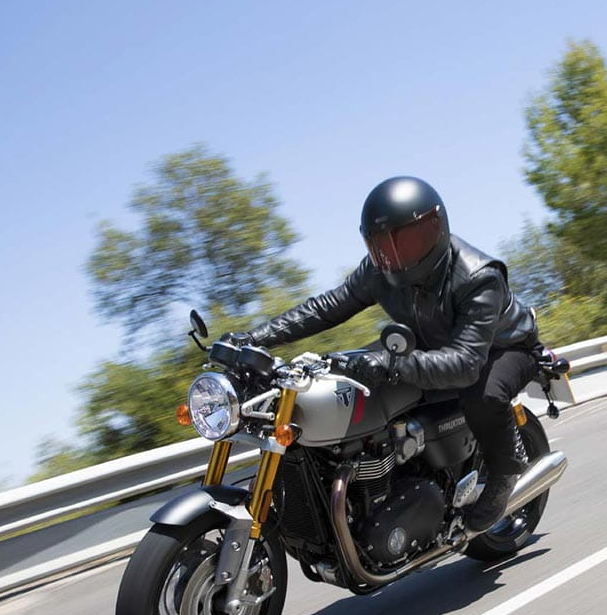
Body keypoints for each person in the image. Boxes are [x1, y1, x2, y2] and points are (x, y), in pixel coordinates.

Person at [229, 176, 540, 532]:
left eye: (407, 240)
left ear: (436, 229)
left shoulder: (478, 277)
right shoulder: (379, 272)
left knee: (482, 394)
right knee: (353, 380)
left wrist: (391, 364)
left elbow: (467, 362)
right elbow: (326, 307)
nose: (395, 255)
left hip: (501, 348)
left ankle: (504, 474)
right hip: (430, 343)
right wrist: (255, 338)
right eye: (383, 245)